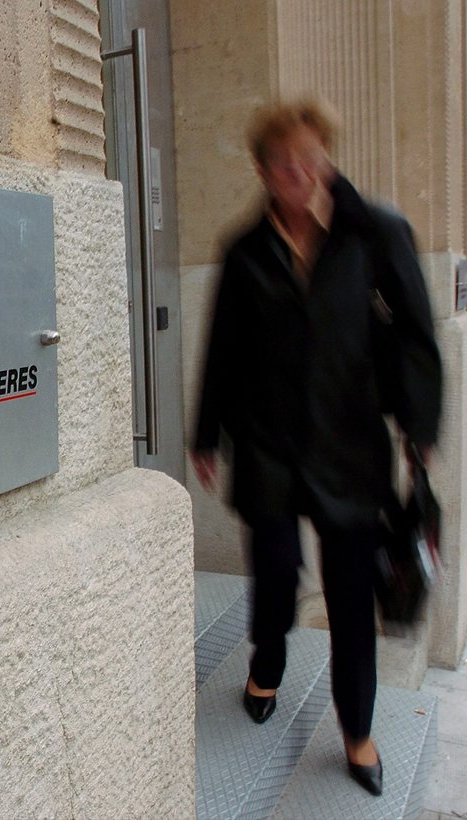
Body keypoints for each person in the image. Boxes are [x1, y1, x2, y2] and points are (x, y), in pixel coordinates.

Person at [190, 98, 442, 798]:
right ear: (261, 169)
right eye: (281, 162)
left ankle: (357, 729)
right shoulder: (245, 250)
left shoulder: (374, 232)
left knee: (350, 593)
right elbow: (223, 348)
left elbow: (416, 334)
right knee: (274, 572)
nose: (297, 172)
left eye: (309, 157)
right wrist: (207, 433)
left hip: (348, 445)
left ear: (327, 157)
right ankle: (266, 662)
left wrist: (418, 428)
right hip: (267, 443)